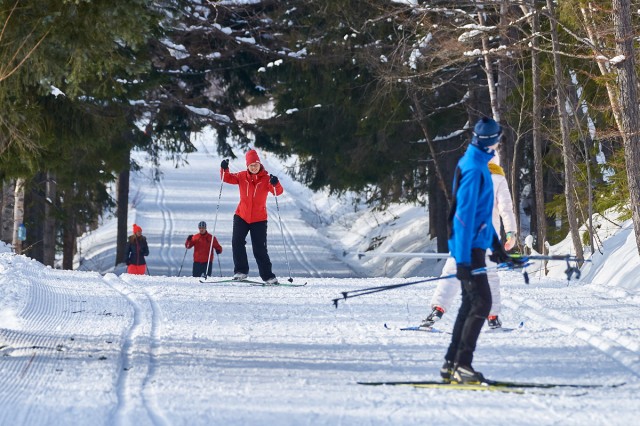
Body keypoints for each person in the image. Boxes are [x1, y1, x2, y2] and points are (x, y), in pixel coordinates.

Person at [439, 117, 514, 385]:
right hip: (469, 249)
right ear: (489, 141)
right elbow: (463, 217)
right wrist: (461, 259)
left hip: (476, 247)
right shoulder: (473, 168)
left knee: (472, 303)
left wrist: (497, 247)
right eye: (498, 138)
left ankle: (452, 363)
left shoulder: (480, 163)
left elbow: (482, 215)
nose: (498, 142)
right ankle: (463, 365)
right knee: (481, 302)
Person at [421, 152, 517, 330]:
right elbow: (506, 209)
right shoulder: (497, 179)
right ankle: (493, 316)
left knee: (452, 270)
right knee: (489, 276)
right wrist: (511, 233)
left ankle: (437, 310)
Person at [220, 149, 283, 284]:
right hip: (241, 216)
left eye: (256, 164)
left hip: (259, 219)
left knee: (259, 248)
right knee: (237, 242)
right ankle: (241, 271)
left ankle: (268, 276)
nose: (253, 167)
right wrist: (224, 168)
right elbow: (226, 178)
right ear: (247, 166)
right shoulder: (242, 176)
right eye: (251, 165)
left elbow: (278, 192)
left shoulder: (267, 179)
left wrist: (275, 183)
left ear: (260, 164)